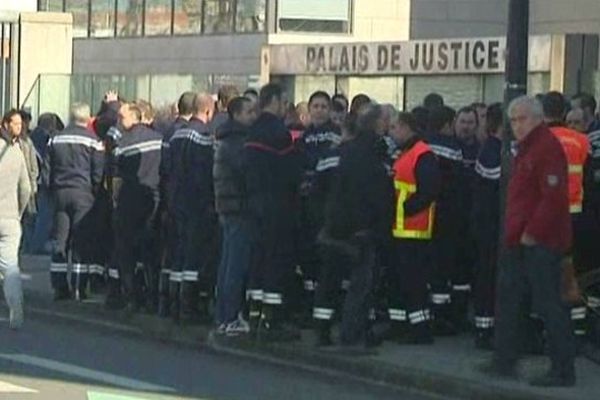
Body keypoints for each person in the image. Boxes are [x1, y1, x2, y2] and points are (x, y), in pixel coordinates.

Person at [491, 96, 575, 387]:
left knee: (549, 304)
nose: (516, 125)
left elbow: (552, 197)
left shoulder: (545, 148)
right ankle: (507, 358)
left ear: (538, 118)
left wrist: (532, 233)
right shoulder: (527, 149)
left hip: (541, 242)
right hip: (522, 239)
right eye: (512, 120)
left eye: (522, 118)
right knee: (516, 298)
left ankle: (563, 369)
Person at [315, 105, 394, 352]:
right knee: (360, 286)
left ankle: (323, 332)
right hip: (361, 230)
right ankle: (352, 337)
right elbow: (377, 196)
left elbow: (324, 190)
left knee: (330, 281)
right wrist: (377, 227)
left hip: (335, 226)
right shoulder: (373, 155)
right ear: (378, 124)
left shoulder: (343, 152)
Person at [244, 83, 302, 341]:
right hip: (276, 204)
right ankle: (272, 320)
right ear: (275, 101)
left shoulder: (252, 130)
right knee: (275, 260)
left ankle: (255, 314)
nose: (285, 107)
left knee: (257, 259)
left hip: (253, 202)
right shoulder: (279, 132)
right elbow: (290, 173)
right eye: (283, 102)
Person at [387, 111, 440, 345]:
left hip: (414, 229)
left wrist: (404, 210)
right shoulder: (404, 153)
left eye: (394, 127)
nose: (391, 132)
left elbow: (428, 192)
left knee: (414, 282)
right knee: (398, 280)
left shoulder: (423, 154)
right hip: (399, 228)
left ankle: (420, 330)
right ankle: (399, 325)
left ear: (407, 127)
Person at [43, 103, 105, 301]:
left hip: (60, 193)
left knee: (60, 241)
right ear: (87, 119)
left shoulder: (55, 139)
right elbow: (98, 172)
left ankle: (60, 287)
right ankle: (79, 287)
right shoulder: (93, 141)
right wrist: (94, 192)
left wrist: (51, 190)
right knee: (80, 240)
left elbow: (47, 170)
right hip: (83, 194)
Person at [106, 102, 163, 312]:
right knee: (150, 251)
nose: (120, 122)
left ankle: (131, 297)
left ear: (135, 118)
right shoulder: (159, 139)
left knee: (126, 250)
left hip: (129, 201)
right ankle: (153, 297)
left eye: (123, 118)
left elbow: (117, 177)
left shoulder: (124, 142)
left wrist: (115, 201)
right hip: (154, 199)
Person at [543, 92, 590, 341]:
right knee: (571, 272)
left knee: (547, 275)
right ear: (564, 112)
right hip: (576, 215)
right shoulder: (580, 141)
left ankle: (551, 330)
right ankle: (578, 326)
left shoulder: (538, 140)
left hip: (548, 218)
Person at [168, 93, 216, 323]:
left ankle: (173, 302)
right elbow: (204, 174)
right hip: (196, 202)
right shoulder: (204, 136)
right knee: (194, 254)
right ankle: (189, 305)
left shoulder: (177, 134)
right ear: (208, 111)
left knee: (179, 250)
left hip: (176, 199)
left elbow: (167, 169)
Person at [213, 96, 257, 336]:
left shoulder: (226, 139)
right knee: (235, 264)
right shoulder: (238, 142)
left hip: (228, 207)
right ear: (237, 115)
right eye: (249, 111)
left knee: (228, 262)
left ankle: (224, 314)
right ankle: (230, 317)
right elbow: (246, 173)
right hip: (239, 207)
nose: (254, 115)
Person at [297, 91, 341, 321]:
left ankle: (328, 307)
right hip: (308, 203)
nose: (320, 110)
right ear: (309, 109)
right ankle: (309, 304)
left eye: (324, 106)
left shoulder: (336, 135)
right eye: (316, 106)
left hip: (328, 203)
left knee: (327, 256)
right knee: (309, 255)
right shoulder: (304, 136)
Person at [424, 105, 462, 335]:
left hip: (420, 215)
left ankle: (428, 310)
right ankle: (440, 314)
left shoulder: (420, 144)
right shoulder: (453, 148)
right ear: (448, 124)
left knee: (425, 264)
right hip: (447, 214)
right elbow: (457, 184)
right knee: (442, 266)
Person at [157, 91, 195, 317]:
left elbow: (164, 169)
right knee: (183, 252)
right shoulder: (188, 133)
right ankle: (181, 302)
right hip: (185, 200)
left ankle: (165, 301)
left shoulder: (168, 131)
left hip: (168, 198)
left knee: (169, 253)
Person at [471, 103, 502, 350]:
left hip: (492, 226)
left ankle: (489, 327)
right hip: (490, 227)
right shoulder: (493, 150)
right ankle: (485, 329)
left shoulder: (492, 148)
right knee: (488, 278)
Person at [0, 110, 31, 329]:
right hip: (9, 216)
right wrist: (18, 212)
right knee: (10, 266)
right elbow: (26, 188)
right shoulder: (17, 152)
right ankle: (16, 309)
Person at [453, 106, 480, 330]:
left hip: (473, 217)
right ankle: (455, 315)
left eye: (470, 122)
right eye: (463, 121)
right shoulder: (451, 148)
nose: (466, 126)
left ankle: (463, 313)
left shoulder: (480, 150)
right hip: (454, 217)